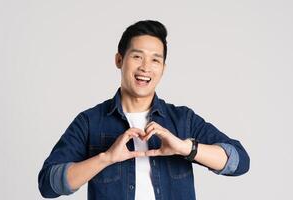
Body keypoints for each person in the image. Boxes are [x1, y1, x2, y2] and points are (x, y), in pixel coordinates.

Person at [38, 20, 250, 200]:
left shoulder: (182, 119)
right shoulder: (90, 121)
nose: (145, 67)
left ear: (163, 68)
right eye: (137, 56)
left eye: (155, 60)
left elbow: (239, 162)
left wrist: (187, 149)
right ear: (119, 60)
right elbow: (48, 184)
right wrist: (106, 158)